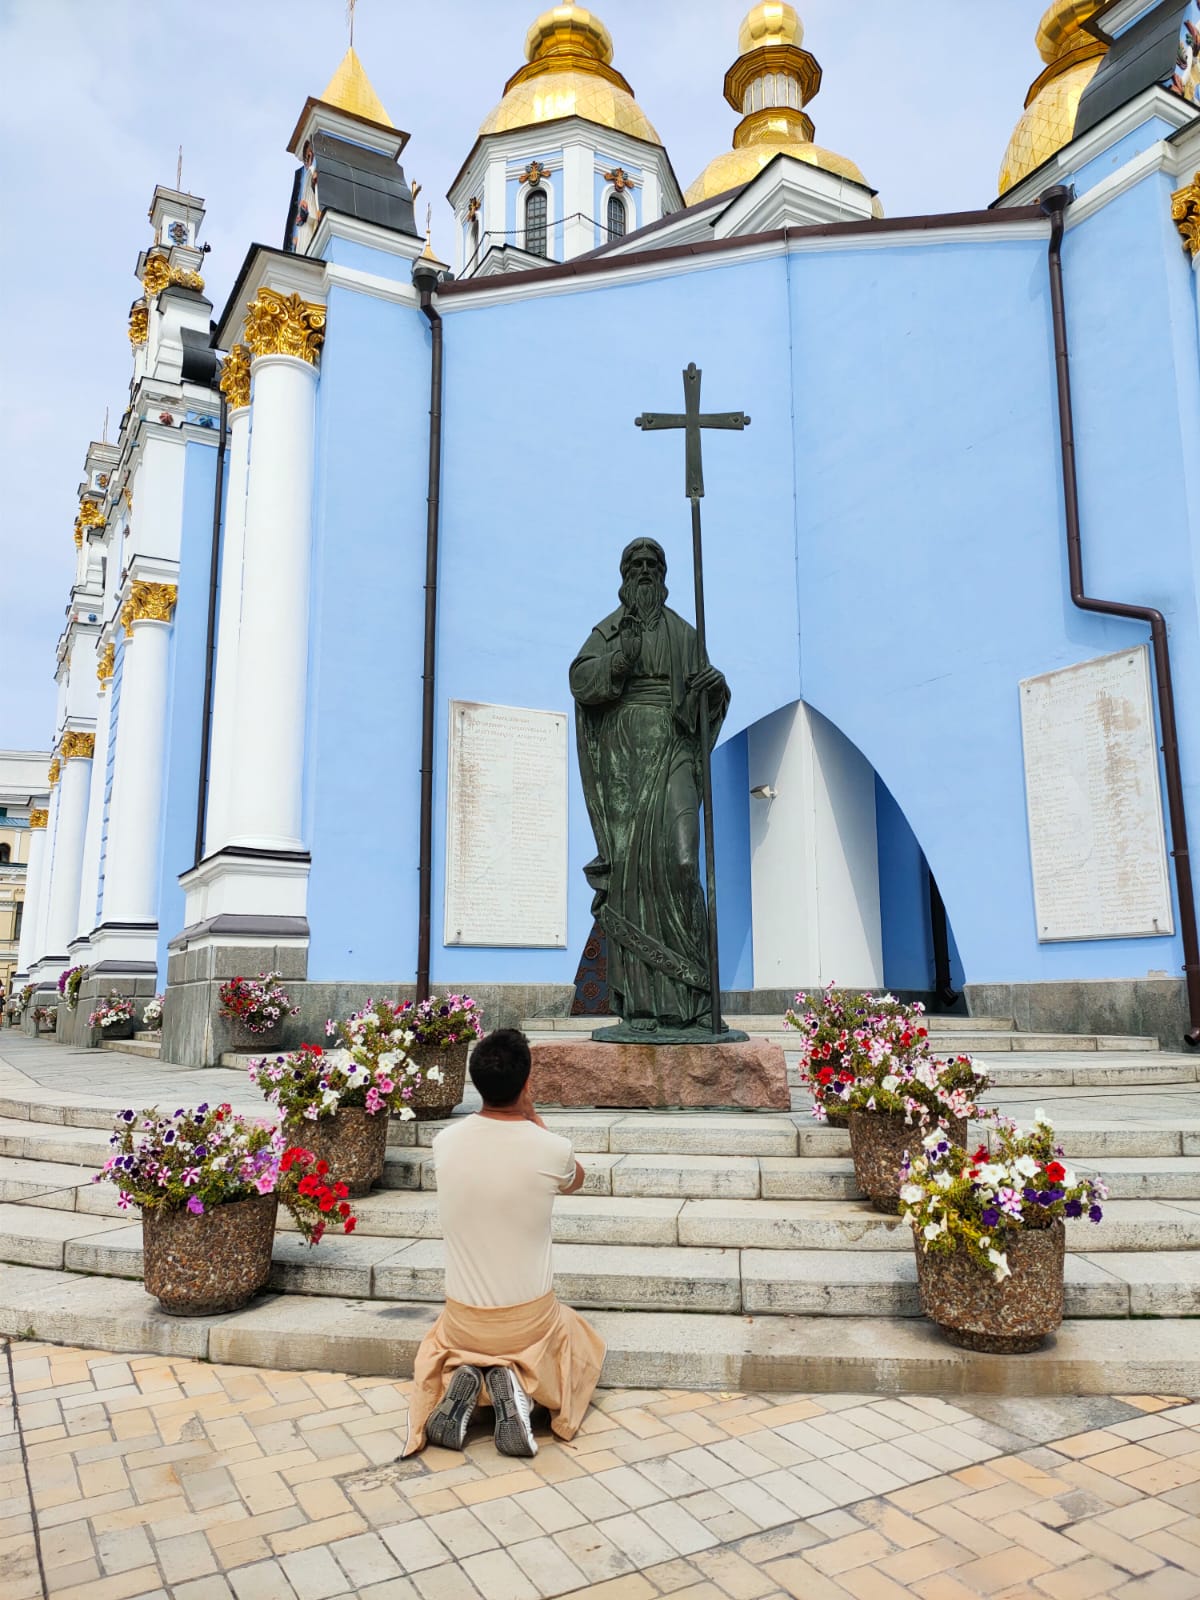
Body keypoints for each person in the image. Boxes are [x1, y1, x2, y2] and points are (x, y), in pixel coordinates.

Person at [402, 1029, 606, 1458]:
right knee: (578, 1336)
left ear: (476, 1082)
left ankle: (471, 1376)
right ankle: (519, 1391)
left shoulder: (444, 1143)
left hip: (463, 1320)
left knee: (451, 1338)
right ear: (527, 1084)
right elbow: (577, 1181)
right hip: (527, 1322)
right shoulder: (552, 1149)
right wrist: (540, 1127)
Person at [570, 537, 729, 1036]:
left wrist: (714, 690)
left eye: (651, 564)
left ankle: (696, 993)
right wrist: (618, 663)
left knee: (683, 863)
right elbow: (580, 680)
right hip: (624, 762)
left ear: (663, 574)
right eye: (635, 564)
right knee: (633, 879)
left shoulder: (684, 633)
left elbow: (701, 702)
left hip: (674, 750)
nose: (643, 571)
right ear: (624, 574)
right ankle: (644, 1006)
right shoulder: (609, 631)